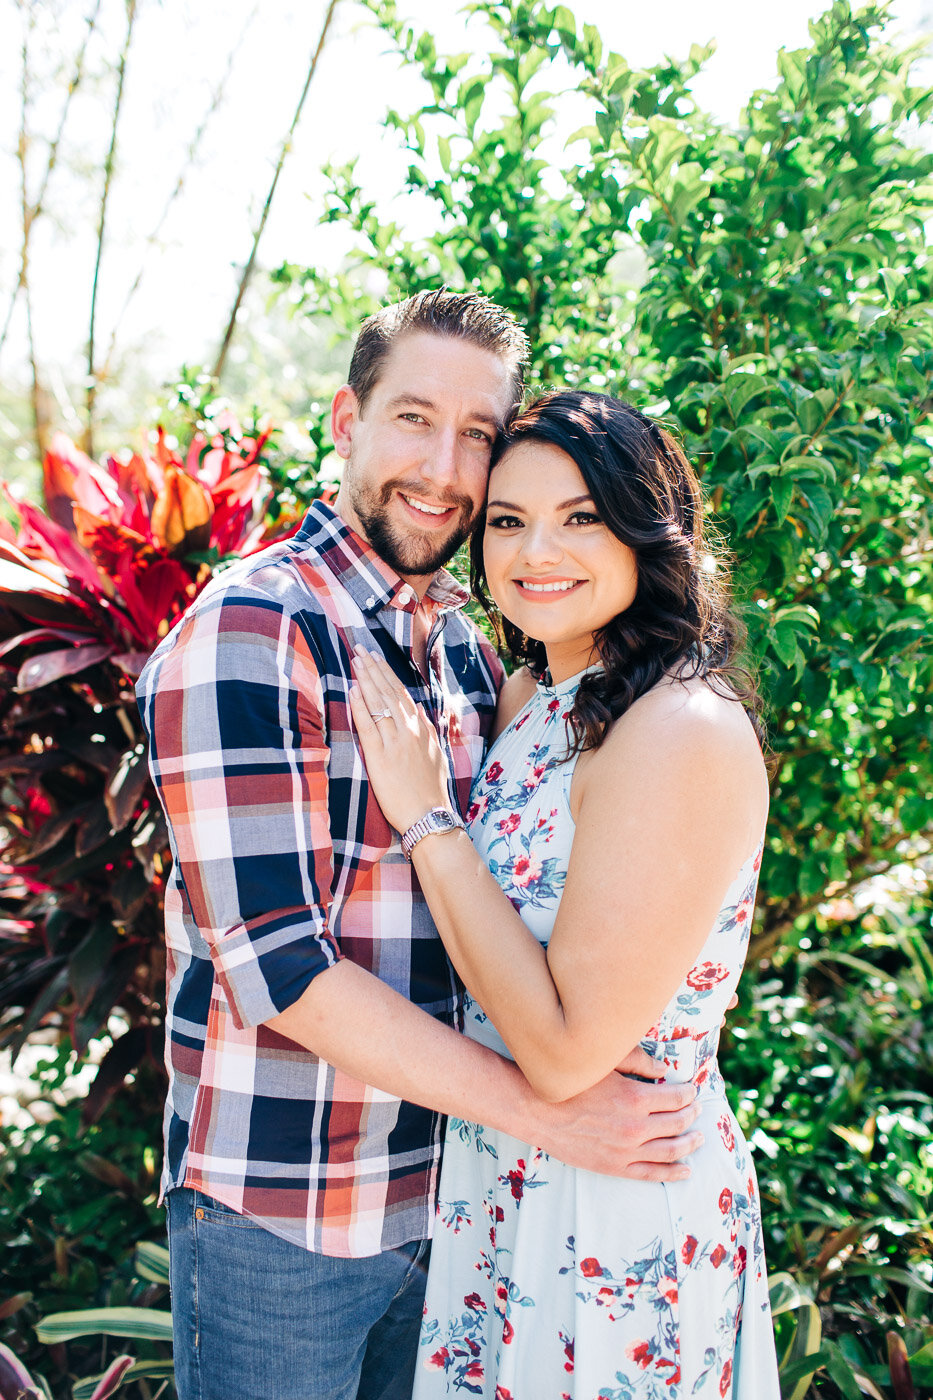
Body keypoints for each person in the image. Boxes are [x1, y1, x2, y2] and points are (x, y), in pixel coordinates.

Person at [135, 292, 706, 1400]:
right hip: (287, 1218)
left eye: (479, 434)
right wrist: (555, 1110)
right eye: (412, 418)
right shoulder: (255, 630)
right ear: (346, 421)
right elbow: (283, 972)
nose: (445, 468)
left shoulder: (469, 649)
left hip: (455, 1199)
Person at [348, 389, 781, 1398]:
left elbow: (564, 1046)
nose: (537, 548)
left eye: (580, 516)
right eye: (508, 519)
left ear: (648, 528)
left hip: (615, 1209)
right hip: (505, 1185)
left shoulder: (682, 730)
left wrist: (427, 816)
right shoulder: (536, 696)